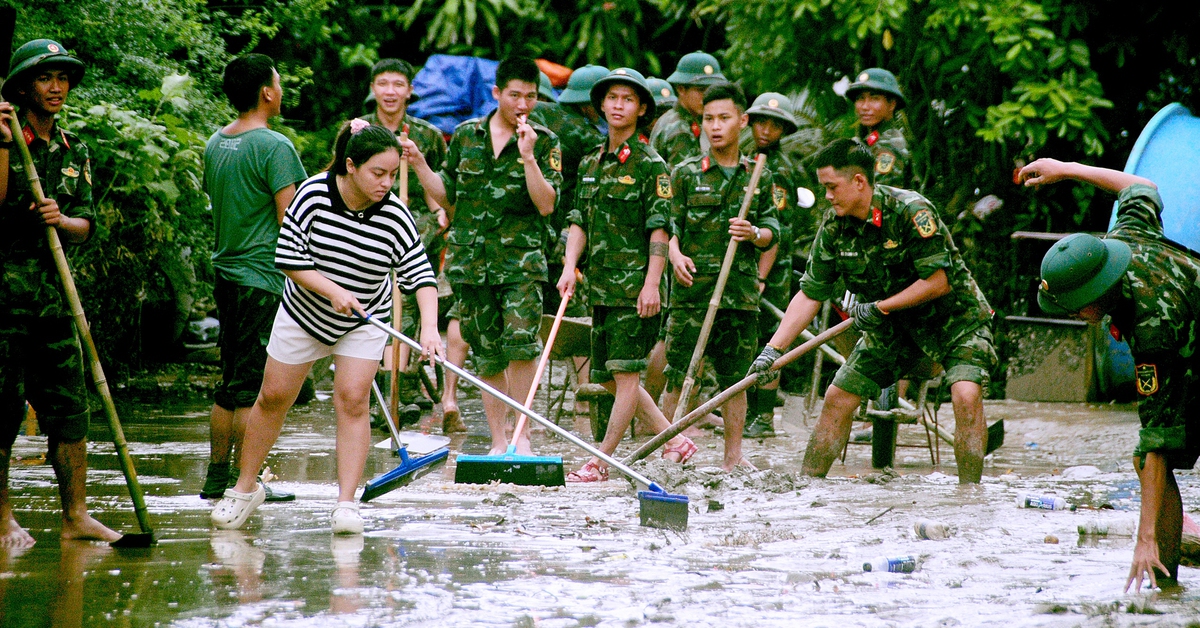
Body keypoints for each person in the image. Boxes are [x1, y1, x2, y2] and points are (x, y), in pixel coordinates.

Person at [211, 120, 441, 534]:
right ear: (350, 165)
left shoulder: (396, 215)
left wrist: (429, 328)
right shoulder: (313, 194)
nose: (386, 183)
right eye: (378, 173)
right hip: (303, 313)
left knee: (353, 400)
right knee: (273, 397)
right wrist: (331, 289)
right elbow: (287, 257)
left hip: (364, 318)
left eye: (392, 174)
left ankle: (346, 503)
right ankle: (245, 488)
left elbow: (420, 276)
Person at [750, 138, 995, 483]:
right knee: (837, 396)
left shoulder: (910, 210)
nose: (828, 196)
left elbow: (937, 282)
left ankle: (969, 494)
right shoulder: (834, 228)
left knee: (966, 395)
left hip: (955, 323)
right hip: (892, 328)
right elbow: (810, 293)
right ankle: (806, 485)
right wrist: (773, 349)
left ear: (859, 182)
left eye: (832, 187)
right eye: (824, 188)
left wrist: (880, 306)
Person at [1018, 158, 1199, 592]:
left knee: (1152, 454)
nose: (1077, 316)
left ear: (1097, 294)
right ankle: (1165, 583)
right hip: (1191, 343)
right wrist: (1066, 168)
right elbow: (1141, 184)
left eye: (1077, 307)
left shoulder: (1152, 327)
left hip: (1186, 348)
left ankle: (1155, 560)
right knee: (1150, 459)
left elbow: (1156, 438)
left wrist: (1143, 538)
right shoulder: (1125, 236)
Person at [400, 56, 561, 456]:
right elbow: (446, 194)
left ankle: (522, 434)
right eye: (514, 95)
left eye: (530, 96)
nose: (523, 104)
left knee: (522, 346)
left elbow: (546, 204)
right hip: (472, 263)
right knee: (487, 352)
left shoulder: (546, 141)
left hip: (521, 263)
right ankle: (498, 439)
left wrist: (528, 157)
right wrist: (420, 163)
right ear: (496, 94)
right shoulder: (467, 134)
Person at [0, 38, 119, 547]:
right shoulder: (5, 138)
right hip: (3, 297)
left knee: (70, 408)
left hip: (55, 298)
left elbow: (87, 224)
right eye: (46, 78)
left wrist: (61, 219)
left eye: (63, 78)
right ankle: (2, 518)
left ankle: (76, 516)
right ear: (25, 86)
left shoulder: (76, 150)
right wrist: (4, 145)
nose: (56, 87)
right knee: (1, 408)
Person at [556, 68, 698, 481]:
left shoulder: (651, 164)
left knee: (625, 374)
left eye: (628, 99)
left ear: (641, 109)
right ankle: (673, 440)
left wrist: (652, 282)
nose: (619, 105)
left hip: (635, 287)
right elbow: (578, 221)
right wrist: (569, 266)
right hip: (599, 287)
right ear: (601, 104)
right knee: (617, 380)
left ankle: (601, 461)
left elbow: (660, 227)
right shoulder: (590, 162)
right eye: (612, 98)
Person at [201, 54, 307, 502]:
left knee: (231, 381)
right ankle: (247, 481)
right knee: (250, 388)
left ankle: (218, 475)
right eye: (278, 83)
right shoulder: (274, 146)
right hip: (262, 279)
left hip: (227, 275)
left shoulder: (216, 141)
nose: (281, 91)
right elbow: (293, 219)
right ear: (266, 92)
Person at [662, 82, 780, 472]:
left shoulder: (758, 174)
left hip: (738, 293)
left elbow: (772, 231)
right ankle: (670, 448)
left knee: (736, 381)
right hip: (692, 291)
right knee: (679, 375)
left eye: (724, 118)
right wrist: (674, 255)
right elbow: (668, 226)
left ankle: (733, 458)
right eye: (708, 119)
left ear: (742, 121)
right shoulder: (685, 173)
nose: (715, 127)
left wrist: (754, 234)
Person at [360, 58, 463, 432]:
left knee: (410, 307)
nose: (390, 92)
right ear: (373, 88)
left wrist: (439, 213)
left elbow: (437, 184)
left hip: (415, 230)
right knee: (375, 308)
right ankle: (378, 391)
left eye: (398, 84)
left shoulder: (427, 134)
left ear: (409, 90)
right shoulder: (358, 130)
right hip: (367, 228)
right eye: (383, 83)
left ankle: (399, 388)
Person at [741, 92, 812, 438]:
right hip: (747, 259)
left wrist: (762, 276)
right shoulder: (749, 158)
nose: (766, 130)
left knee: (770, 339)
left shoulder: (780, 168)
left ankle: (764, 416)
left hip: (773, 266)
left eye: (774, 125)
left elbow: (778, 226)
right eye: (761, 122)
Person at [843, 68, 917, 190]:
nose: (865, 106)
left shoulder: (890, 145)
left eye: (874, 98)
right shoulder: (866, 141)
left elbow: (881, 194)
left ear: (891, 104)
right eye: (860, 98)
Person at [650, 52, 726, 169]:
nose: (707, 96)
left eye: (711, 90)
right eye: (701, 90)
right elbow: (684, 181)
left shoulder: (682, 120)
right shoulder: (680, 129)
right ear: (681, 89)